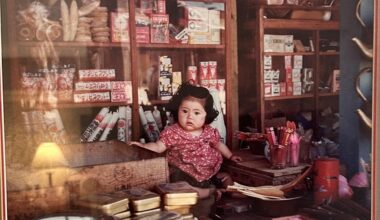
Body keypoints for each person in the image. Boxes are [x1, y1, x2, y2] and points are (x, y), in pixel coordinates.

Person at [130, 82, 242, 200]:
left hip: (208, 173)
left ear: (206, 115)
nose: (189, 116)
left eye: (196, 113)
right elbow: (158, 147)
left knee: (225, 177)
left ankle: (230, 191)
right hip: (184, 175)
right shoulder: (173, 132)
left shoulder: (209, 132)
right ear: (177, 109)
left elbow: (219, 145)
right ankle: (211, 192)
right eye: (184, 111)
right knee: (184, 189)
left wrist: (230, 156)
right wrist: (142, 146)